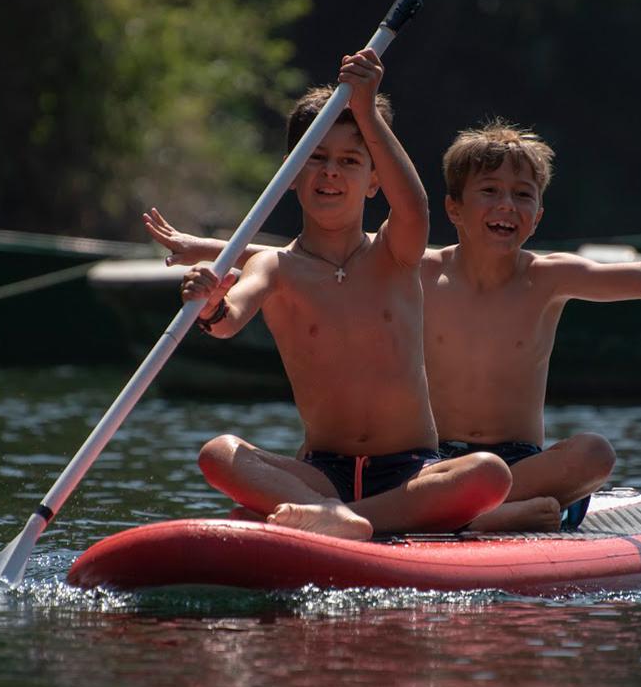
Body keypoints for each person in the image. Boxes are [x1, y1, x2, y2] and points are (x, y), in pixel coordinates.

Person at [151, 120, 641, 532]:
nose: (506, 206)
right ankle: (463, 520)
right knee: (468, 482)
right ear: (456, 210)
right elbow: (315, 262)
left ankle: (425, 518)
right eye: (489, 194)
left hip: (513, 466)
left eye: (522, 195)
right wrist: (210, 254)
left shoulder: (548, 276)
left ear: (539, 213)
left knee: (594, 456)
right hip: (428, 469)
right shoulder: (419, 269)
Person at [176, 49, 512, 541]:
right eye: (316, 159)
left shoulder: (394, 252)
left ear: (374, 179)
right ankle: (328, 513)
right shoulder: (274, 264)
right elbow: (226, 319)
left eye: (350, 161)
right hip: (320, 475)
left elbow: (415, 205)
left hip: (411, 472)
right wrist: (207, 301)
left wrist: (368, 110)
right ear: (291, 176)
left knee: (490, 473)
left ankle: (348, 521)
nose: (331, 172)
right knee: (218, 453)